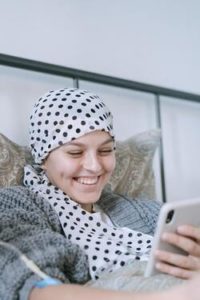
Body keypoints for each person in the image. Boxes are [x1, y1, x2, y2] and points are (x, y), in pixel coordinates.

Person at [0, 87, 200, 300]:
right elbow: (34, 287)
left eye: (105, 151)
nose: (95, 167)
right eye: (75, 152)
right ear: (43, 156)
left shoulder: (144, 211)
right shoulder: (18, 205)